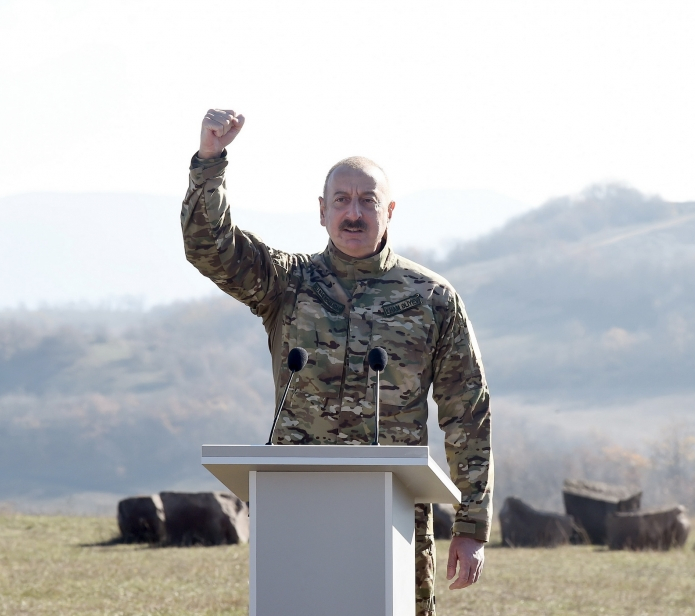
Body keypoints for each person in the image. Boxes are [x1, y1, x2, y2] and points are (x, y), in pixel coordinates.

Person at [181, 108, 493, 616]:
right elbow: (208, 247)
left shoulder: (433, 299)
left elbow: (468, 412)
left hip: (393, 513)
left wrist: (471, 525)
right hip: (298, 507)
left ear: (389, 210)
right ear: (321, 210)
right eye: (341, 201)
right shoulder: (288, 283)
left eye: (366, 201)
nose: (353, 213)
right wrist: (210, 158)